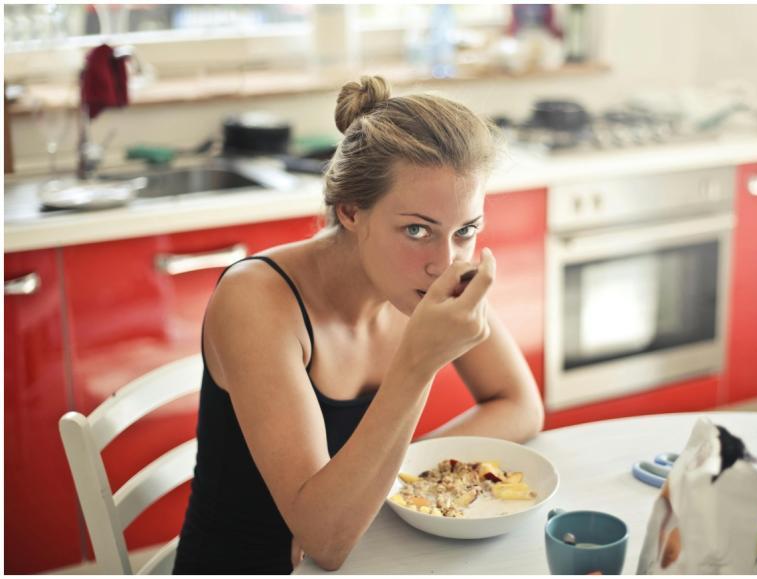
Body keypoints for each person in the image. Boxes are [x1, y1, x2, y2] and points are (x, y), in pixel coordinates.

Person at [173, 75, 544, 574]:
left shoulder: (431, 275)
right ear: (350, 211)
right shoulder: (257, 301)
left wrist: (381, 480)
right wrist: (418, 365)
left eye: (466, 231)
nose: (445, 262)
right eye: (416, 230)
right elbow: (325, 540)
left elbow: (520, 405)